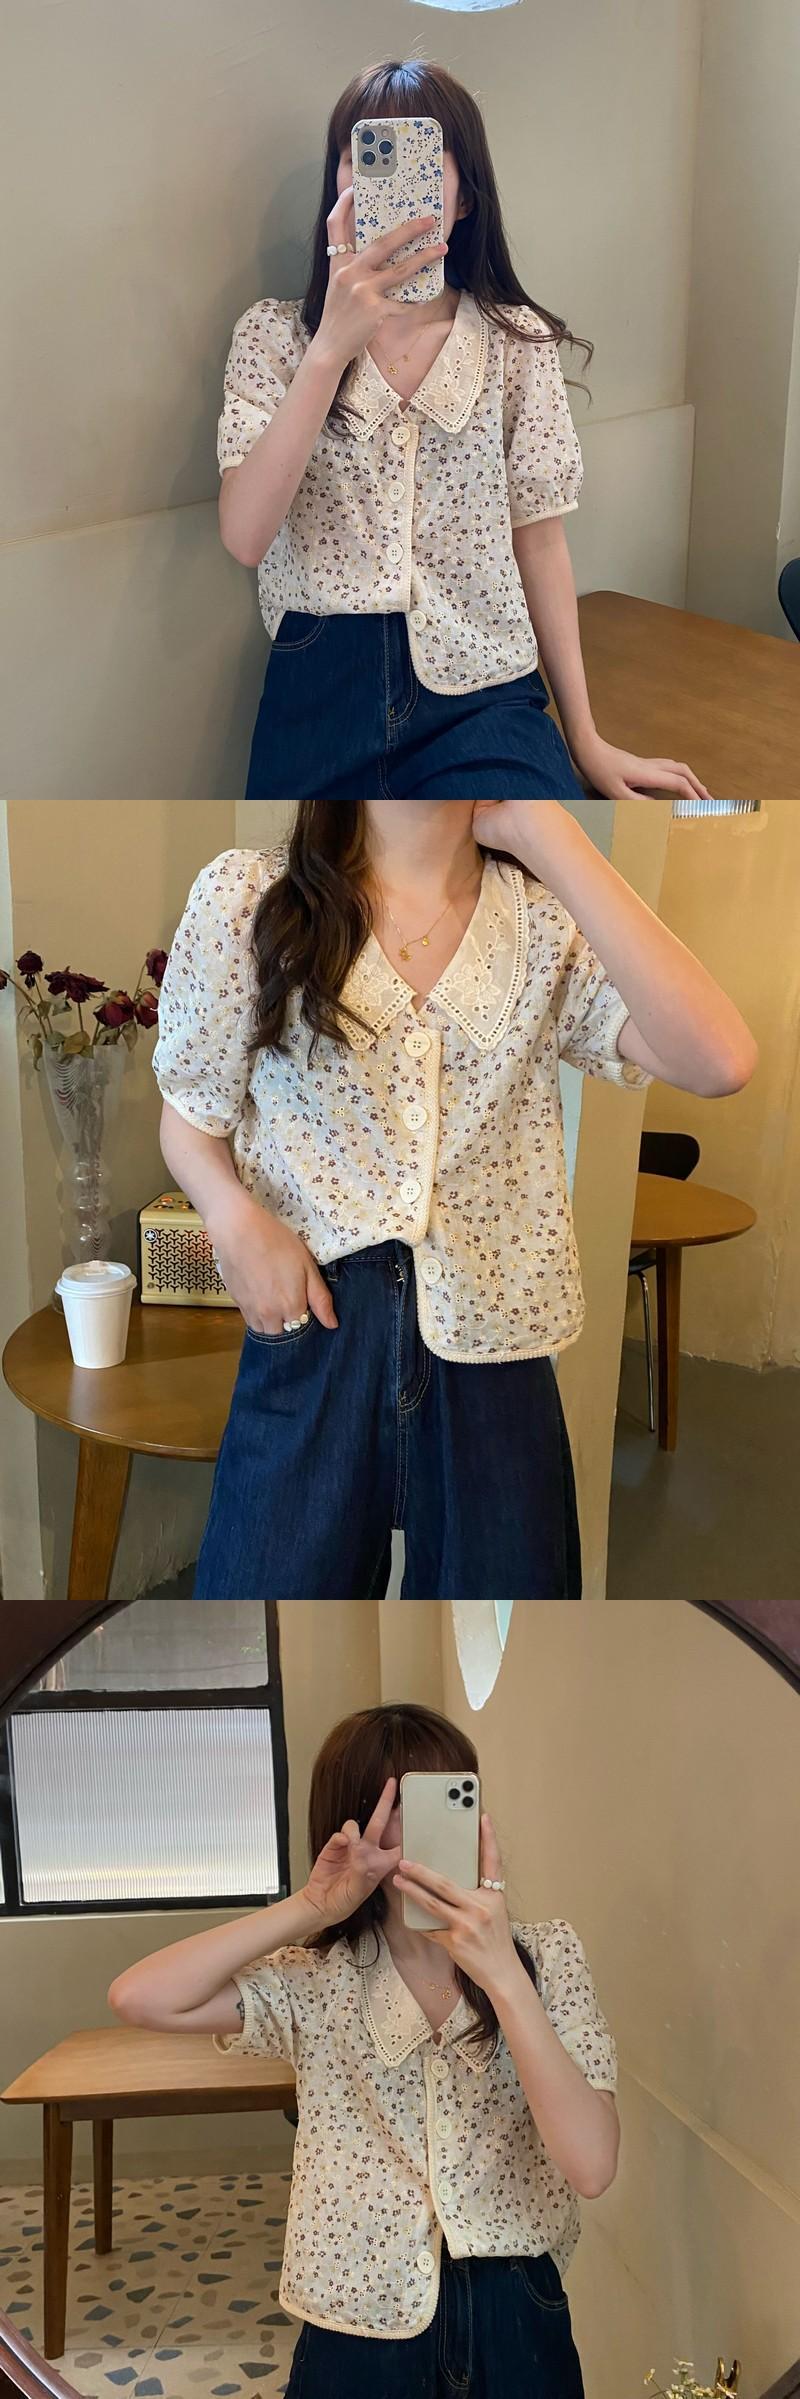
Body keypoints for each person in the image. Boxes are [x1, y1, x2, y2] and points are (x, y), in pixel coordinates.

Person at [151, 798, 757, 1602]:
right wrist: (232, 1220)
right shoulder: (249, 899)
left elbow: (720, 1058)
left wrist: (550, 832)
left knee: (507, 1628)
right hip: (316, 1328)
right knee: (258, 1617)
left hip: (495, 1345)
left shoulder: (544, 926)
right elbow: (191, 1118)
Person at [219, 57, 713, 805]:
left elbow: (539, 542)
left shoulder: (515, 343)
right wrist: (329, 352)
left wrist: (585, 737)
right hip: (319, 690)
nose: (383, 184)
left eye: (419, 160)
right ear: (337, 184)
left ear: (464, 195)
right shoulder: (273, 337)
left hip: (482, 687)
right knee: (311, 871)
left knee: (533, 854)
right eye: (362, 157)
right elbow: (245, 537)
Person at [108, 1702, 621, 2398]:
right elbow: (139, 1997)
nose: (441, 1823)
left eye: (456, 1792)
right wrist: (314, 1905)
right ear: (355, 1822)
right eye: (405, 1801)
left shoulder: (549, 1956)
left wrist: (503, 1973)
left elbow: (592, 2165)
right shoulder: (316, 1978)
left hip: (515, 2309)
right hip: (356, 2314)